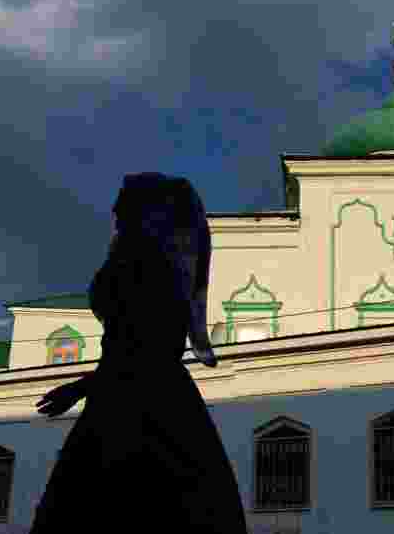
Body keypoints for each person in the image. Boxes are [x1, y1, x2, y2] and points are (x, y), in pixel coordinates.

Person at [30, 173, 248, 533]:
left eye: (124, 200)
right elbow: (140, 349)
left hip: (132, 401)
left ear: (147, 210)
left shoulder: (143, 263)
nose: (115, 208)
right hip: (148, 395)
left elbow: (142, 351)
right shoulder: (156, 263)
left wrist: (81, 388)